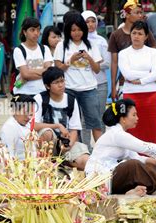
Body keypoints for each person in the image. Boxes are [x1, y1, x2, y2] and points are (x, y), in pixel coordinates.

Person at [85, 98, 156, 196]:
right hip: (98, 179)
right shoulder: (116, 134)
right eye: (134, 115)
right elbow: (143, 147)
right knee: (133, 166)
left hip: (110, 176)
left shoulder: (120, 134)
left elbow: (137, 157)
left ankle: (131, 191)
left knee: (147, 164)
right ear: (123, 119)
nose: (137, 118)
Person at [54, 13, 103, 144]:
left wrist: (89, 58)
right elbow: (58, 68)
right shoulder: (62, 45)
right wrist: (71, 60)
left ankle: (101, 150)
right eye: (73, 30)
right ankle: (76, 150)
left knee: (95, 122)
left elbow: (97, 69)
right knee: (72, 123)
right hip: (69, 89)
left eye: (80, 29)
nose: (77, 33)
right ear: (68, 30)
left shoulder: (91, 45)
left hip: (89, 89)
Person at [33, 67, 90, 171]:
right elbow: (33, 125)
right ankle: (46, 166)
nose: (61, 85)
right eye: (56, 82)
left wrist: (69, 145)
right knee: (47, 132)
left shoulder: (71, 100)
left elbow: (74, 130)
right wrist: (58, 126)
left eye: (62, 81)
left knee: (85, 161)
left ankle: (64, 163)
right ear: (47, 86)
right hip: (47, 143)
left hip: (65, 143)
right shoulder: (39, 99)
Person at [118, 20, 156, 145]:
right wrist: (150, 75)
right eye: (134, 33)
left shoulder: (153, 52)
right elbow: (127, 74)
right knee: (133, 127)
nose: (136, 36)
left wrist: (140, 81)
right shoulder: (123, 54)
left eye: (140, 33)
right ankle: (134, 158)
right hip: (131, 94)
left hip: (153, 95)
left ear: (146, 36)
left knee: (155, 127)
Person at [108, 0, 156, 101]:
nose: (140, 15)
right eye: (137, 13)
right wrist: (113, 87)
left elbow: (154, 55)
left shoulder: (146, 33)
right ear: (126, 15)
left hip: (146, 83)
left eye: (141, 12)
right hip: (125, 84)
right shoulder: (116, 35)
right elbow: (114, 62)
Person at [82, 10, 111, 148]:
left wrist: (92, 63)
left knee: (99, 118)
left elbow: (107, 63)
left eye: (93, 21)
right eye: (87, 21)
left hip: (100, 85)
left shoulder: (101, 41)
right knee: (84, 119)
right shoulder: (79, 41)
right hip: (83, 86)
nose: (90, 24)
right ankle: (85, 149)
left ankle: (102, 148)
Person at [12, 17, 53, 97]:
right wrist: (43, 71)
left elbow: (49, 72)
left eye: (38, 30)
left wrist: (29, 71)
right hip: (23, 92)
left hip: (42, 92)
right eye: (32, 30)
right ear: (24, 32)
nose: (36, 33)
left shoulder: (45, 49)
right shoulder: (19, 50)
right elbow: (25, 75)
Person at [0, 94, 35, 160]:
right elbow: (8, 157)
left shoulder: (27, 124)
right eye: (25, 112)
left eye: (31, 113)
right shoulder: (9, 128)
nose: (28, 117)